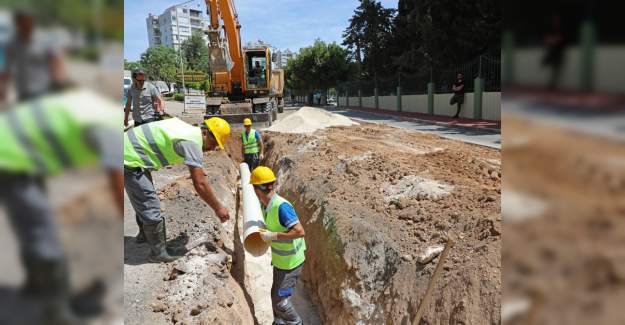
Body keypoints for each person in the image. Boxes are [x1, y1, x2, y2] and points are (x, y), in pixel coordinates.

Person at [0, 89, 123, 325]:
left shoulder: (100, 110)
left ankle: (38, 286)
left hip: (17, 152)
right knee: (41, 230)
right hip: (10, 158)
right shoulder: (110, 127)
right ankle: (56, 313)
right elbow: (117, 177)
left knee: (31, 224)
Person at [124, 116, 232, 263]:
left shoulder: (187, 130)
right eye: (214, 142)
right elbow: (200, 184)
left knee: (143, 197)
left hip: (129, 151)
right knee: (150, 205)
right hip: (129, 159)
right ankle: (158, 253)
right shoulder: (193, 143)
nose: (213, 148)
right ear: (206, 133)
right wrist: (218, 208)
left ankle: (144, 236)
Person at [251, 166, 306, 325]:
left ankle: (296, 323)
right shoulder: (265, 204)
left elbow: (300, 232)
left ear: (257, 188)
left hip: (291, 263)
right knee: (275, 295)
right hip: (281, 262)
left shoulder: (282, 207)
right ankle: (279, 322)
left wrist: (274, 236)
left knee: (280, 301)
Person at [8, 10, 67, 101]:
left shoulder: (44, 40)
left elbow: (56, 60)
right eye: (23, 23)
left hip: (42, 91)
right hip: (22, 91)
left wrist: (59, 80)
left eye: (29, 22)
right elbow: (8, 65)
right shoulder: (13, 43)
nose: (27, 26)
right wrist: (3, 85)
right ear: (17, 24)